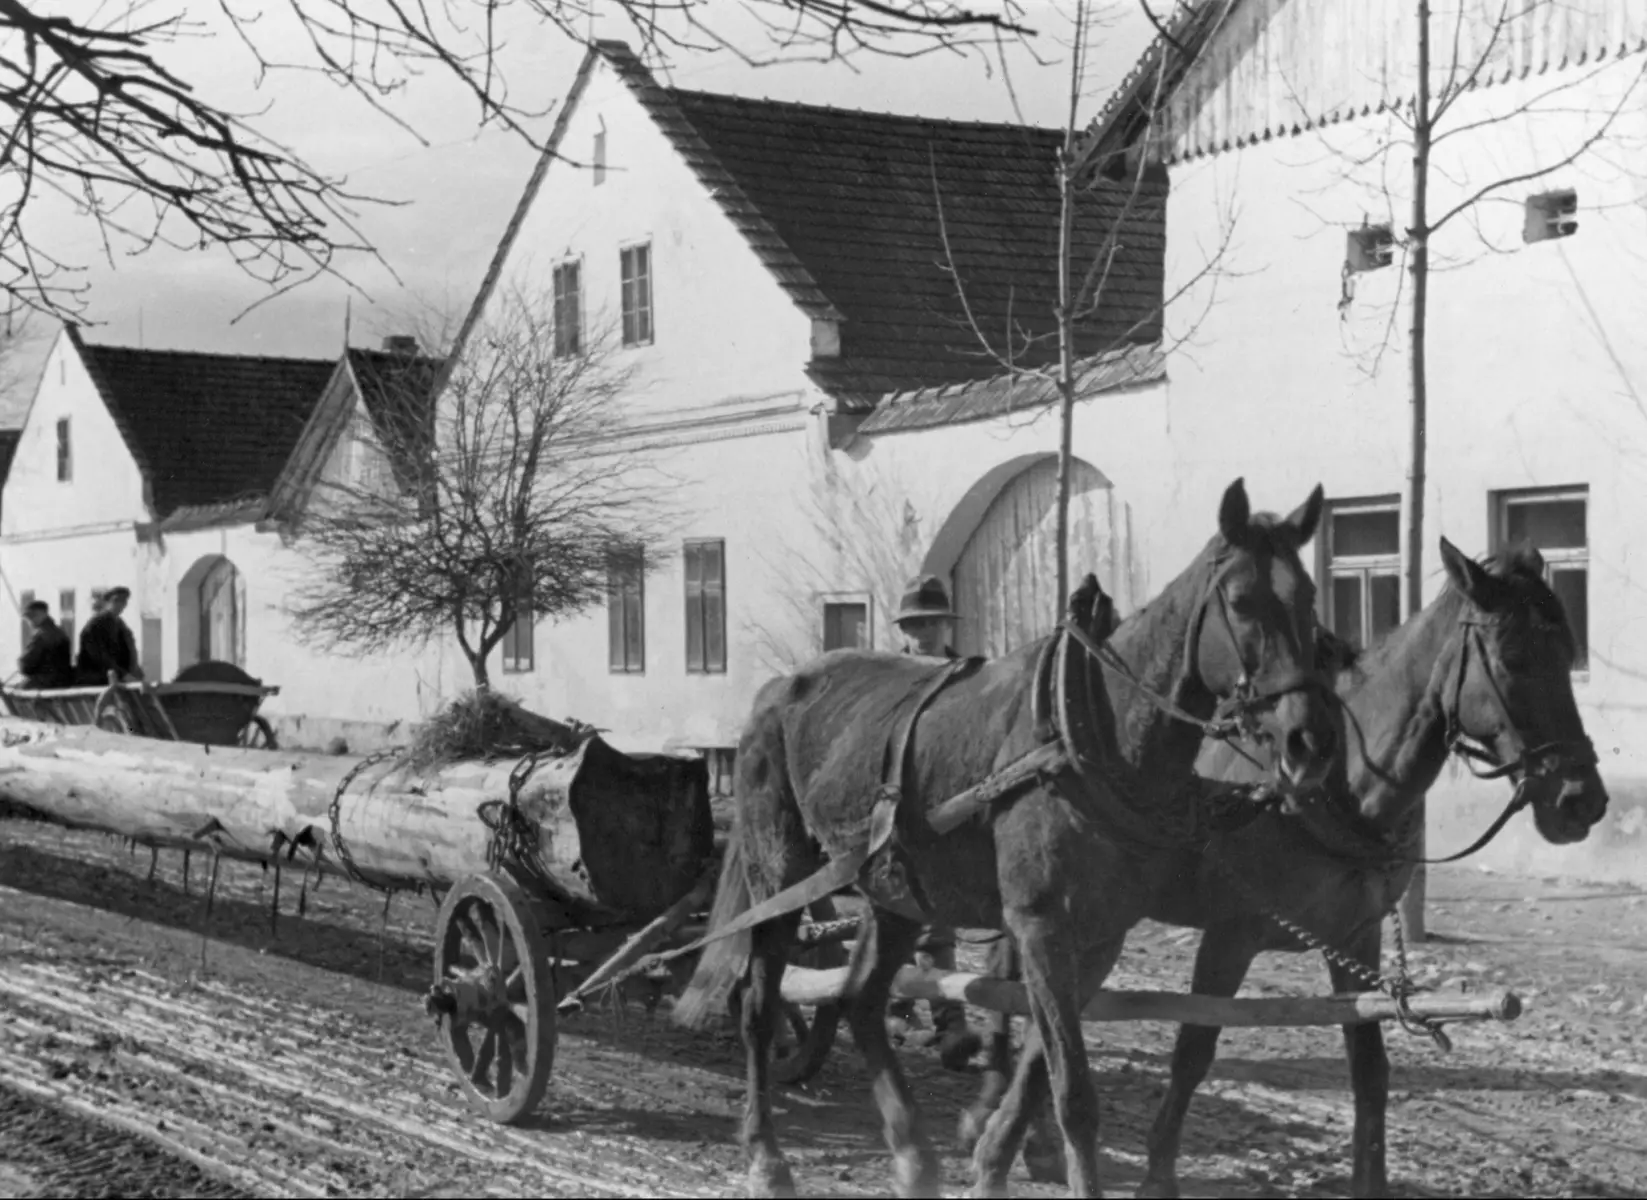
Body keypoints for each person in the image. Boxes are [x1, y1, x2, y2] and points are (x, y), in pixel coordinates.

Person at [887, 573, 983, 1072]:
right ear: (904, 629)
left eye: (933, 623)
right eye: (915, 624)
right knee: (922, 922)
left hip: (957, 808)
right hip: (898, 809)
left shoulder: (970, 676)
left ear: (947, 625)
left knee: (932, 920)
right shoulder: (890, 678)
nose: (924, 633)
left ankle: (905, 1009)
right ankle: (946, 1024)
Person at [77, 586, 142, 684]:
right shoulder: (96, 624)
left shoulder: (120, 625)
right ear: (107, 602)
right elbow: (98, 656)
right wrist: (122, 674)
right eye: (116, 601)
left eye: (123, 602)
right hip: (99, 679)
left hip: (119, 678)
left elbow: (128, 650)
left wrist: (135, 671)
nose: (120, 605)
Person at [17, 600, 74, 689]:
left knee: (22, 687)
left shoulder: (42, 636)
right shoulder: (60, 632)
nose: (30, 621)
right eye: (28, 618)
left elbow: (27, 666)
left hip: (44, 683)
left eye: (32, 616)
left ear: (44, 614)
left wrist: (21, 662)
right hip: (63, 682)